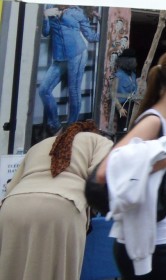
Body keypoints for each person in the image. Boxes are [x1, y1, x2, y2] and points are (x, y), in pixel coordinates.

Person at [98, 49, 166, 279]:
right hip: (147, 244)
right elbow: (106, 169)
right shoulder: (154, 121)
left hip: (155, 241)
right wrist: (153, 163)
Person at [0, 120, 113, 280]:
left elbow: (10, 186)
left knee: (10, 270)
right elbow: (99, 177)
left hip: (12, 207)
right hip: (62, 206)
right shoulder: (99, 141)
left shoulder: (39, 146)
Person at [39, 4, 100, 134]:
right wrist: (45, 16)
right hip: (60, 57)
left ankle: (71, 127)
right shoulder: (50, 8)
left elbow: (91, 37)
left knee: (73, 90)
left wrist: (103, 22)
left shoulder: (78, 12)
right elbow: (45, 32)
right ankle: (55, 125)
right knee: (44, 90)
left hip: (77, 54)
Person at [110, 48, 139, 136]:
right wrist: (120, 108)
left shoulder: (133, 75)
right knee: (123, 129)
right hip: (123, 106)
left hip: (133, 105)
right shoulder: (118, 76)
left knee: (133, 128)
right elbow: (112, 93)